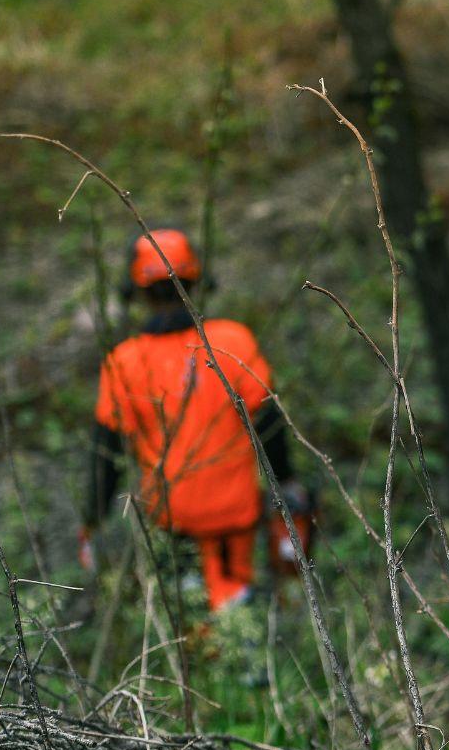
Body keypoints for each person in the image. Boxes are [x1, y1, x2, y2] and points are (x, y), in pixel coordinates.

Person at [83, 229, 309, 612]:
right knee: (235, 603)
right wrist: (286, 482)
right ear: (195, 281)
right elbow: (269, 422)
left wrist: (93, 518)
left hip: (173, 517)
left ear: (138, 291)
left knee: (187, 607)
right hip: (235, 511)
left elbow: (106, 450)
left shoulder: (124, 362)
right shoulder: (233, 341)